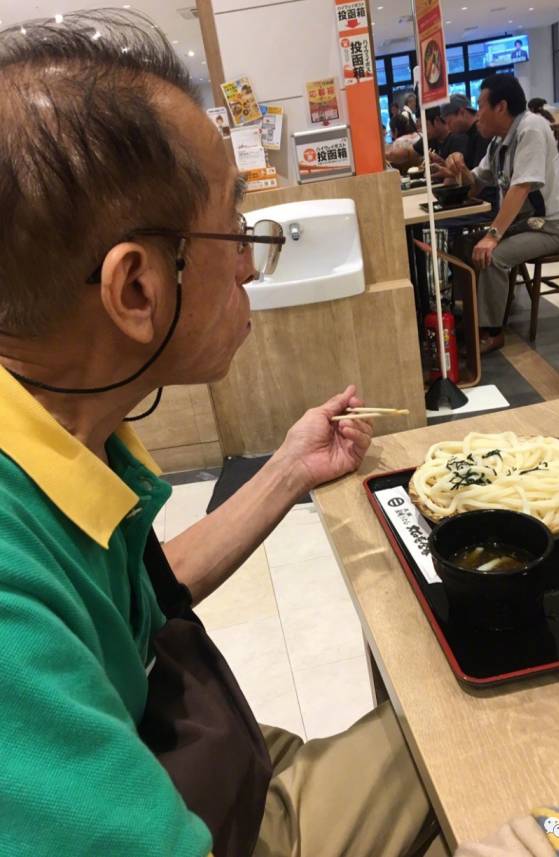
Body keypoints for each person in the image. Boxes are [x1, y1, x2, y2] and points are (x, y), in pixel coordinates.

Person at [0, 10, 437, 857]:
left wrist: (290, 467)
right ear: (137, 290)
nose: (248, 260)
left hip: (218, 772)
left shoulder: (58, 434)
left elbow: (140, 596)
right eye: (234, 225)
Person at [441, 74, 559, 354]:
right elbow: (476, 183)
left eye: (480, 106)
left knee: (493, 255)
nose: (477, 115)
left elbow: (521, 187)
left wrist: (492, 236)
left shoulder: (531, 128)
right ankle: (472, 315)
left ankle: (492, 331)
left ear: (500, 107)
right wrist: (458, 169)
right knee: (462, 245)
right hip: (522, 225)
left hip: (547, 227)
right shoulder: (498, 142)